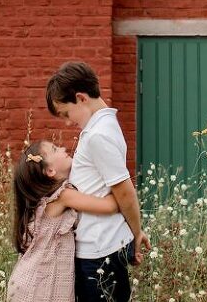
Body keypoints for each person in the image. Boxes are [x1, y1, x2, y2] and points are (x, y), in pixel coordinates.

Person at [46, 61, 151, 302]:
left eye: (66, 113)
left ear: (81, 98)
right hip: (102, 246)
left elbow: (124, 191)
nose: (67, 122)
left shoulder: (98, 135)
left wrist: (136, 234)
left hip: (98, 250)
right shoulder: (104, 126)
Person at [7, 140, 119, 302]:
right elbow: (110, 206)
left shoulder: (44, 201)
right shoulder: (63, 196)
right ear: (50, 170)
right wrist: (118, 186)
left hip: (29, 283)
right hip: (39, 289)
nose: (63, 148)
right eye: (55, 149)